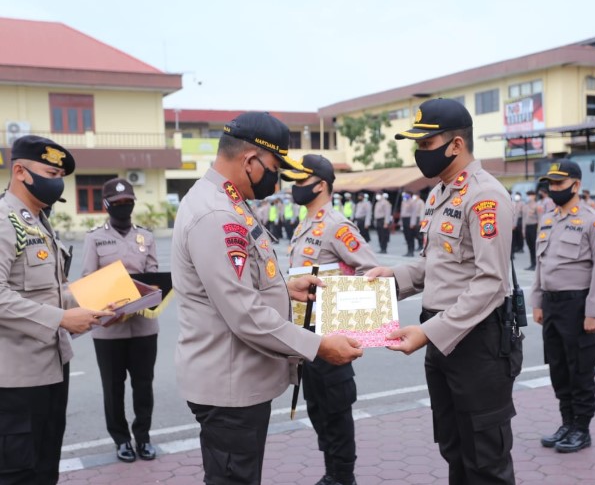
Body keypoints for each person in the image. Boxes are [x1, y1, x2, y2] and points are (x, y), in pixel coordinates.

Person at [172, 112, 363, 485]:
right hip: (230, 388)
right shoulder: (216, 214)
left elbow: (242, 283)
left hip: (237, 379)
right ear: (249, 160)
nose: (277, 181)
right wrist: (319, 346)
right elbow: (244, 313)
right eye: (274, 168)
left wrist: (284, 288)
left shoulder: (229, 202)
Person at [366, 98, 521, 484]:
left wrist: (428, 333)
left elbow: (491, 282)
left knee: (485, 457)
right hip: (440, 336)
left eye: (427, 143)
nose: (420, 153)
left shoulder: (485, 196)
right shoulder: (440, 193)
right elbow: (440, 264)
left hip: (477, 340)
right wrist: (394, 278)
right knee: (454, 446)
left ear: (456, 145)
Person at [0, 135, 108, 484]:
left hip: (51, 369)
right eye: (50, 171)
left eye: (60, 174)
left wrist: (105, 301)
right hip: (15, 380)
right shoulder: (4, 221)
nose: (57, 181)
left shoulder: (38, 222)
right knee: (18, 473)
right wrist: (61, 319)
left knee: (45, 469)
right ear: (20, 171)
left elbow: (51, 293)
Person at [284, 154, 379, 485]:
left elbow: (371, 271)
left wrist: (342, 310)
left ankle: (343, 478)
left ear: (320, 184)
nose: (295, 187)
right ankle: (332, 474)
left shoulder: (337, 225)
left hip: (331, 332)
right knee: (318, 409)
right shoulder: (304, 224)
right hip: (306, 336)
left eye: (301, 181)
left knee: (337, 412)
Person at [530, 159, 595, 454]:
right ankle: (566, 422)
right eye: (550, 184)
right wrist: (537, 301)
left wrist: (593, 312)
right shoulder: (546, 219)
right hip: (551, 305)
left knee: (580, 368)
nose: (553, 189)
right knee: (558, 367)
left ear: (576, 185)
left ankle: (582, 428)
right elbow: (541, 264)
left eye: (559, 184)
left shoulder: (594, 221)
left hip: (577, 306)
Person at [81, 178, 159, 463]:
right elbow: (88, 280)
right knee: (113, 387)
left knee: (143, 385)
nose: (123, 208)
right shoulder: (94, 238)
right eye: (117, 204)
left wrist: (151, 289)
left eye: (127, 203)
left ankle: (143, 437)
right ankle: (121, 439)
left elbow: (152, 275)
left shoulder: (146, 237)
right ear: (106, 206)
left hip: (143, 325)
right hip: (110, 329)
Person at [523, 190, 539, 270]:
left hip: (534, 227)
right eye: (528, 195)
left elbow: (540, 218)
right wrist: (523, 230)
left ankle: (536, 264)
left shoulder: (537, 205)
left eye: (531, 195)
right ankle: (532, 264)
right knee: (529, 247)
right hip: (527, 227)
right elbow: (524, 219)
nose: (529, 197)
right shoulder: (525, 206)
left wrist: (539, 230)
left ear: (534, 196)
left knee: (534, 247)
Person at [400, 192, 417, 257]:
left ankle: (411, 251)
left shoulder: (412, 202)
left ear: (409, 195)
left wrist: (412, 223)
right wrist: (401, 222)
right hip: (404, 220)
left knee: (410, 236)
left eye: (406, 194)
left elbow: (414, 213)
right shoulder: (403, 202)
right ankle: (408, 251)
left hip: (409, 220)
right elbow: (402, 213)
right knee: (406, 236)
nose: (405, 195)